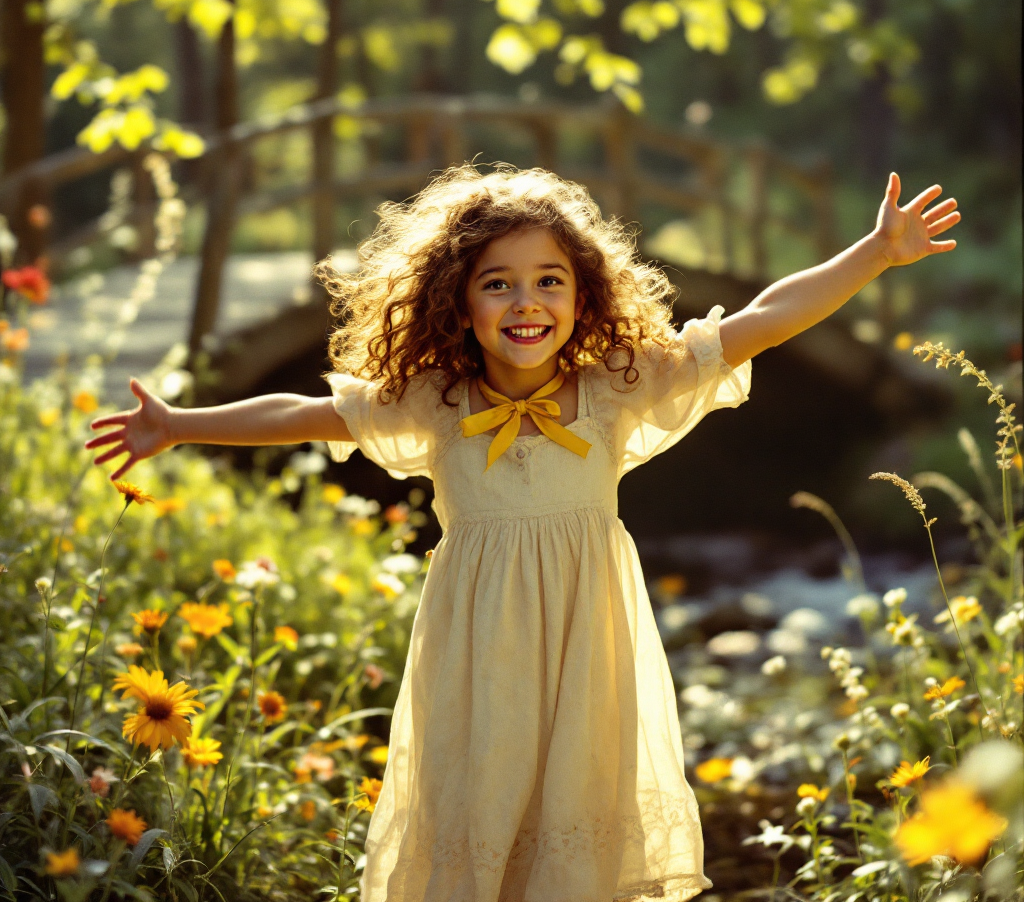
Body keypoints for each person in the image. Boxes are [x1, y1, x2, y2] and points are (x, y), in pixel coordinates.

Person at [85, 163, 959, 902]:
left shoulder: (619, 386)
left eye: (550, 281)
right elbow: (305, 412)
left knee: (579, 827)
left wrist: (876, 252)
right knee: (479, 815)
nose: (526, 302)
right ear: (458, 303)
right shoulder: (437, 401)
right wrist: (182, 423)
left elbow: (764, 319)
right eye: (497, 283)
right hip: (480, 657)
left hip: (590, 649)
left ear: (584, 295)